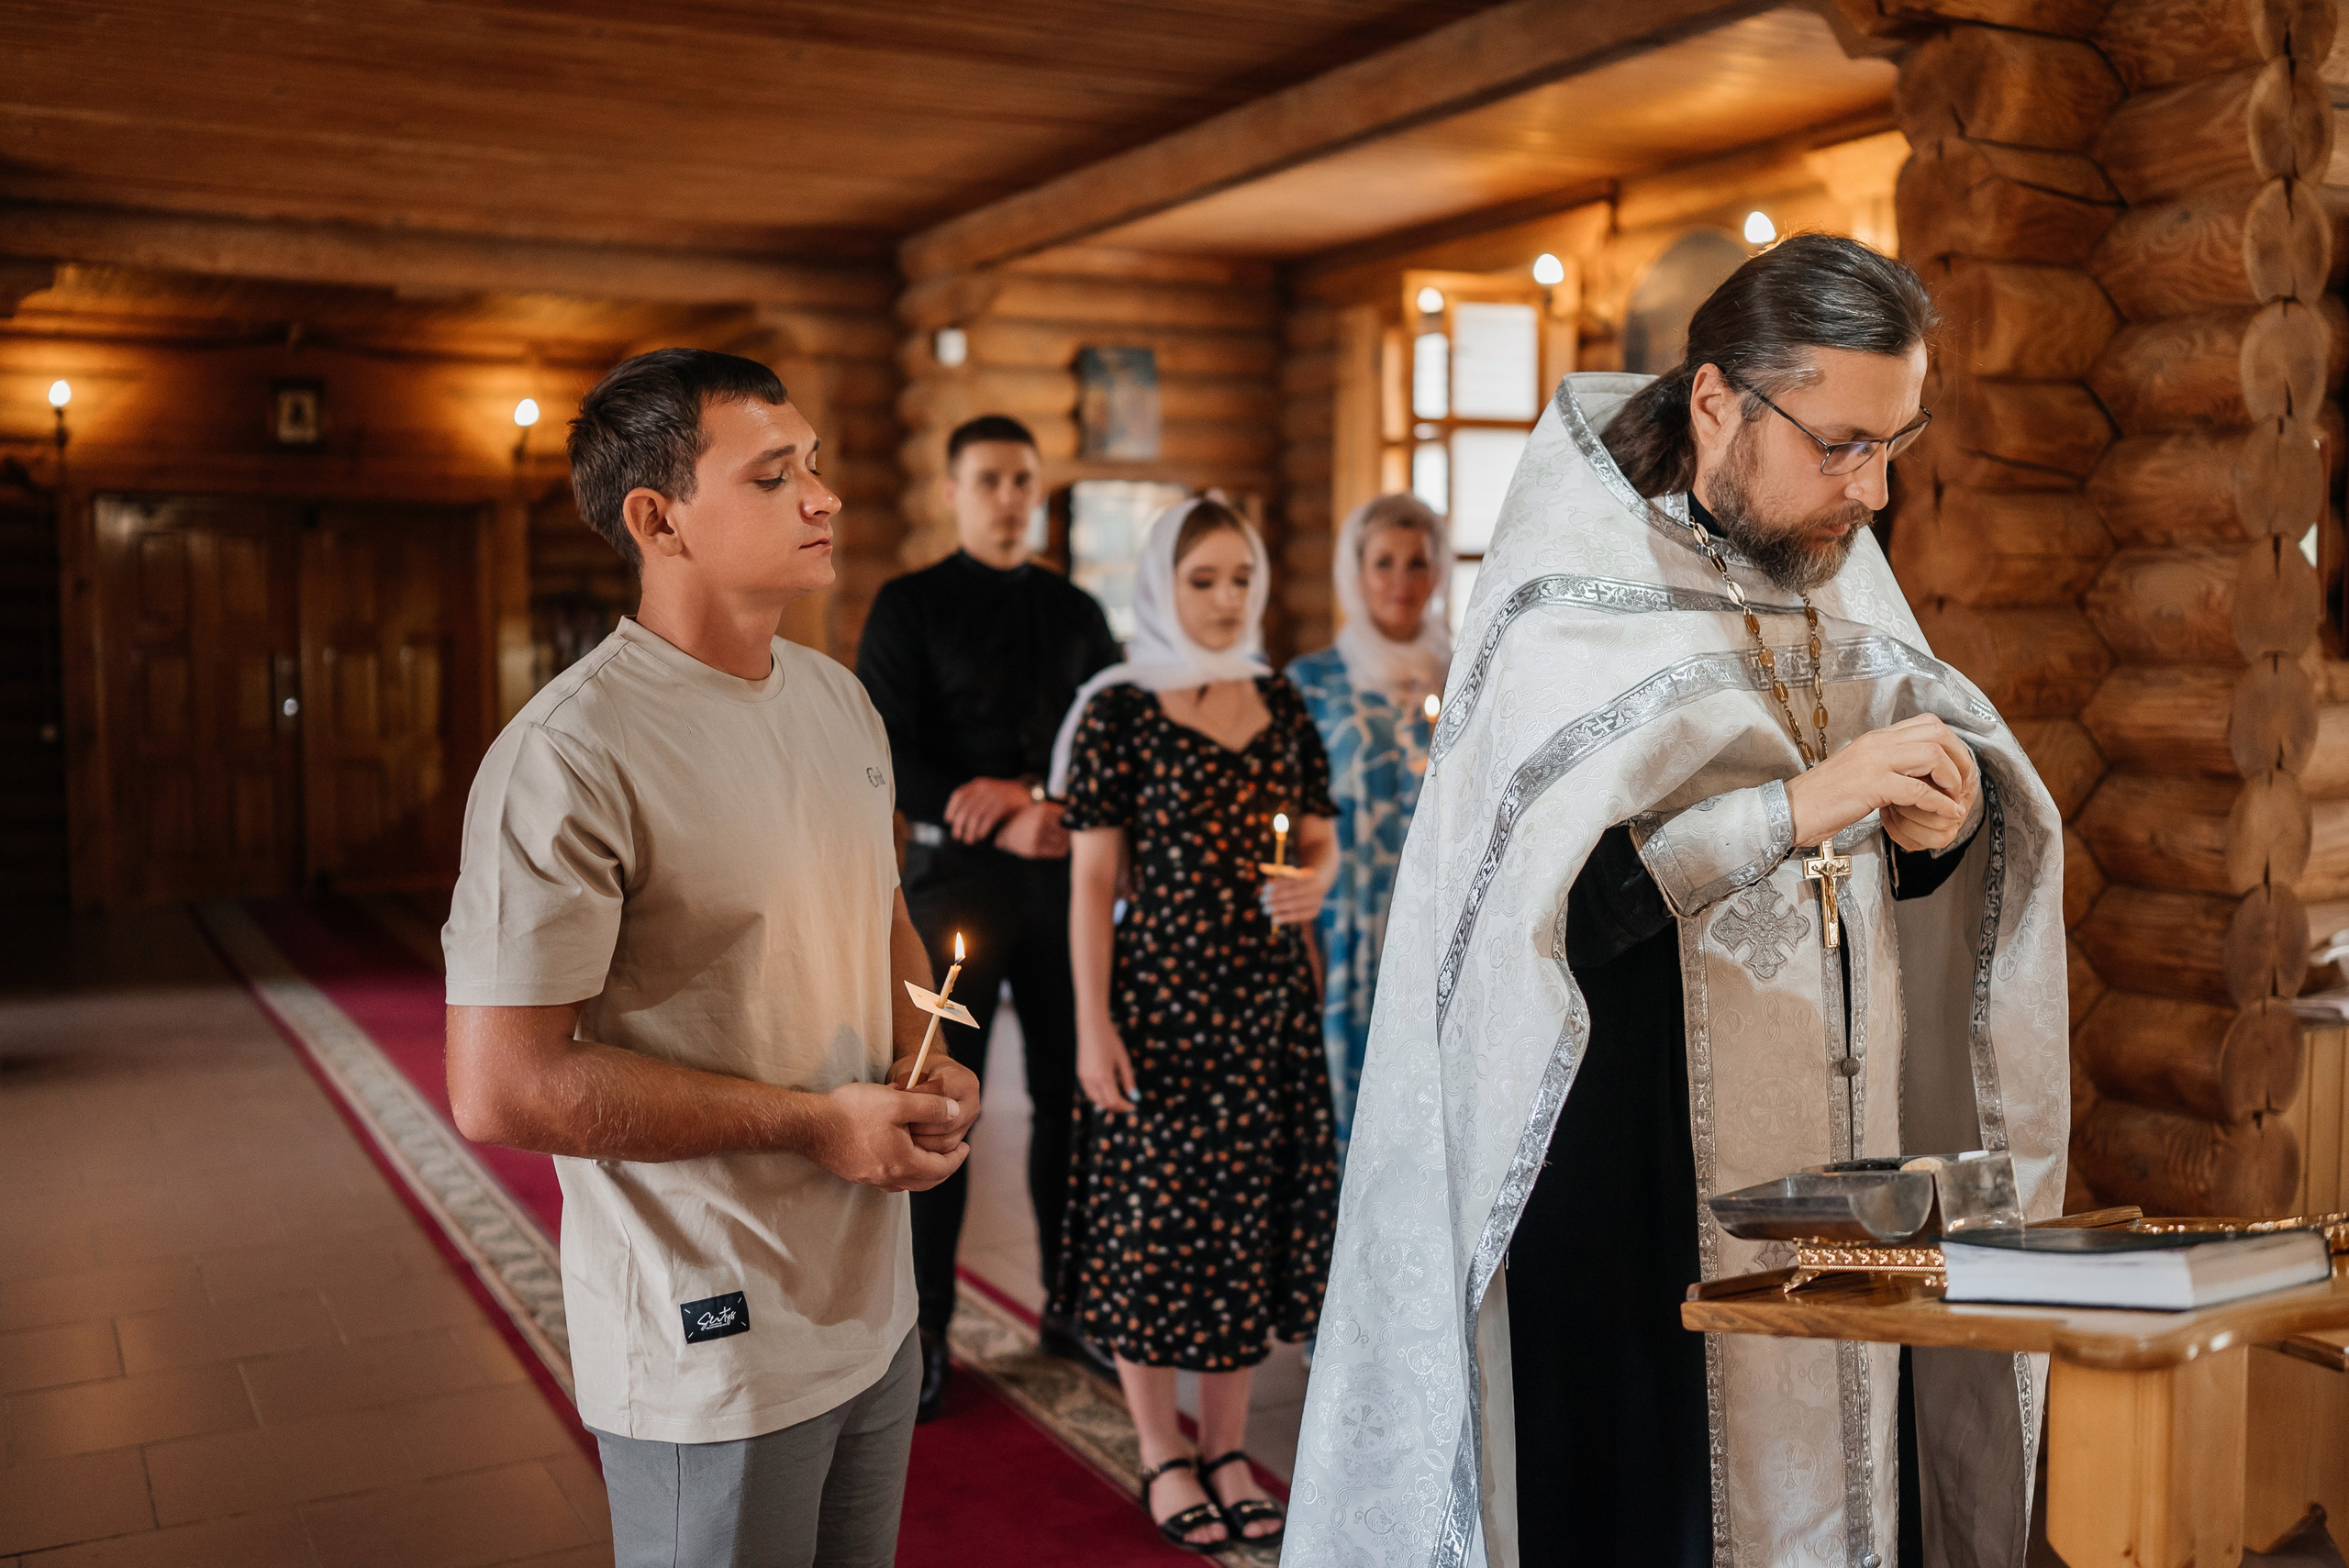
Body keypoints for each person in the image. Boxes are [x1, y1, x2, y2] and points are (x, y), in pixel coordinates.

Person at [1288, 235, 2068, 1568]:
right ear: (1718, 402)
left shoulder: (1837, 574)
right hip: (1626, 1163)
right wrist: (1794, 807)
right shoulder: (1565, 602)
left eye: (1894, 443)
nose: (1872, 489)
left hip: (1839, 1157)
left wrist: (1939, 831)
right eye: (1841, 444)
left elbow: (1886, 868)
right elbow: (1540, 921)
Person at [441, 348, 982, 1568]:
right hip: (711, 1328)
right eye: (775, 475)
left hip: (872, 1293)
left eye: (817, 465)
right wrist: (813, 1125)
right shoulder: (569, 754)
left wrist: (927, 1056)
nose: (823, 496)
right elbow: (502, 1085)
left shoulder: (838, 702)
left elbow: (881, 916)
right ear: (659, 519)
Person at [1050, 498, 1341, 1553]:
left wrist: (1315, 882)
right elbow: (1092, 885)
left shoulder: (1280, 698)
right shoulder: (1118, 710)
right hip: (1159, 1004)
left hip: (1266, 1006)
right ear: (1159, 587)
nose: (1224, 599)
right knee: (1153, 1227)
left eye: (1238, 578)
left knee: (1241, 1224)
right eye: (1201, 579)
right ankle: (1160, 1448)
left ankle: (1224, 1447)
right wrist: (1091, 1025)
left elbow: (1321, 837)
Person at [854, 413, 1123, 1419]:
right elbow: (882, 745)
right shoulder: (909, 603)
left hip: (1060, 883)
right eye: (990, 480)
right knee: (939, 1102)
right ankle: (926, 1330)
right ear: (953, 490)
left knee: (1069, 1098)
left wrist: (1034, 802)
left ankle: (1072, 1304)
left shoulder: (1077, 610)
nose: (1010, 497)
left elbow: (1109, 740)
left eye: (1023, 480)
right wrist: (994, 810)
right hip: (949, 885)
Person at [1286, 493, 1451, 1153]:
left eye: (1418, 563)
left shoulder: (1465, 673)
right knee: (1345, 1108)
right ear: (1355, 572)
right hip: (1344, 920)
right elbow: (1290, 820)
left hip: (1437, 918)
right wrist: (1300, 939)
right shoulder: (1313, 683)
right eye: (1384, 563)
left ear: (1438, 572)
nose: (1401, 582)